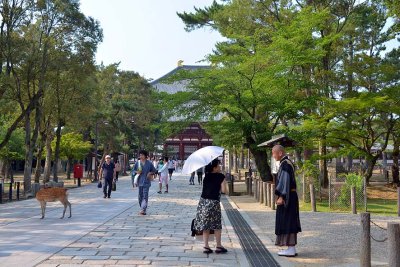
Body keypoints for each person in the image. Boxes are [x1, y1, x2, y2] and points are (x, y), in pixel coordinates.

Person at [193, 158, 228, 254]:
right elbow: (224, 191)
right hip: (214, 202)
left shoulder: (206, 176)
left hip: (203, 202)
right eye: (219, 165)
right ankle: (218, 246)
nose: (220, 166)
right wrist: (224, 181)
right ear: (215, 167)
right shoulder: (221, 176)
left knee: (206, 224)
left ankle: (206, 246)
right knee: (216, 224)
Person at [272, 145, 301, 257]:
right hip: (291, 196)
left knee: (288, 221)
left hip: (287, 197)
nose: (273, 156)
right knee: (289, 220)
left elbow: (285, 182)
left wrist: (281, 196)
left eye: (274, 153)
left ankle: (291, 248)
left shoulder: (285, 165)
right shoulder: (286, 163)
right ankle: (290, 247)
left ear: (280, 153)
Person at [132, 150, 156, 215]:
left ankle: (143, 209)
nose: (141, 156)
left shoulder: (149, 163)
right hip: (139, 182)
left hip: (147, 182)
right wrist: (137, 172)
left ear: (145, 156)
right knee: (140, 196)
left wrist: (150, 173)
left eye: (142, 155)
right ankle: (142, 207)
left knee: (145, 195)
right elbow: (133, 171)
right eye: (140, 155)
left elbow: (154, 171)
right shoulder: (138, 163)